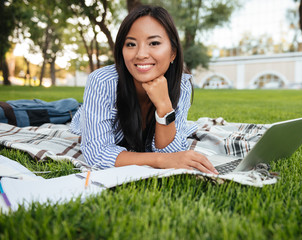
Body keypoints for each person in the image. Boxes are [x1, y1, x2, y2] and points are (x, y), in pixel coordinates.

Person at [70, 5, 218, 175]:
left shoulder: (182, 84)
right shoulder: (102, 81)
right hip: (82, 115)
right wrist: (160, 161)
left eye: (154, 43)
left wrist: (164, 105)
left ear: (173, 53)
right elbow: (97, 154)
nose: (140, 54)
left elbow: (173, 151)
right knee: (60, 110)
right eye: (131, 44)